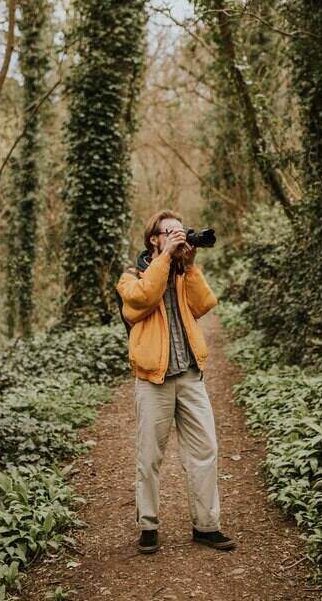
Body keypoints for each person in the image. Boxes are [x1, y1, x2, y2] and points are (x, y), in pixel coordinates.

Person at [115, 209, 235, 555]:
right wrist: (166, 258)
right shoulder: (131, 277)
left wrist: (190, 264)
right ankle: (148, 526)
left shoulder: (183, 274)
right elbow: (142, 300)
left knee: (205, 451)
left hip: (190, 376)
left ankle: (207, 526)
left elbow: (203, 304)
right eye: (171, 232)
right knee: (150, 456)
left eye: (182, 231)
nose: (178, 237)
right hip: (153, 381)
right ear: (153, 239)